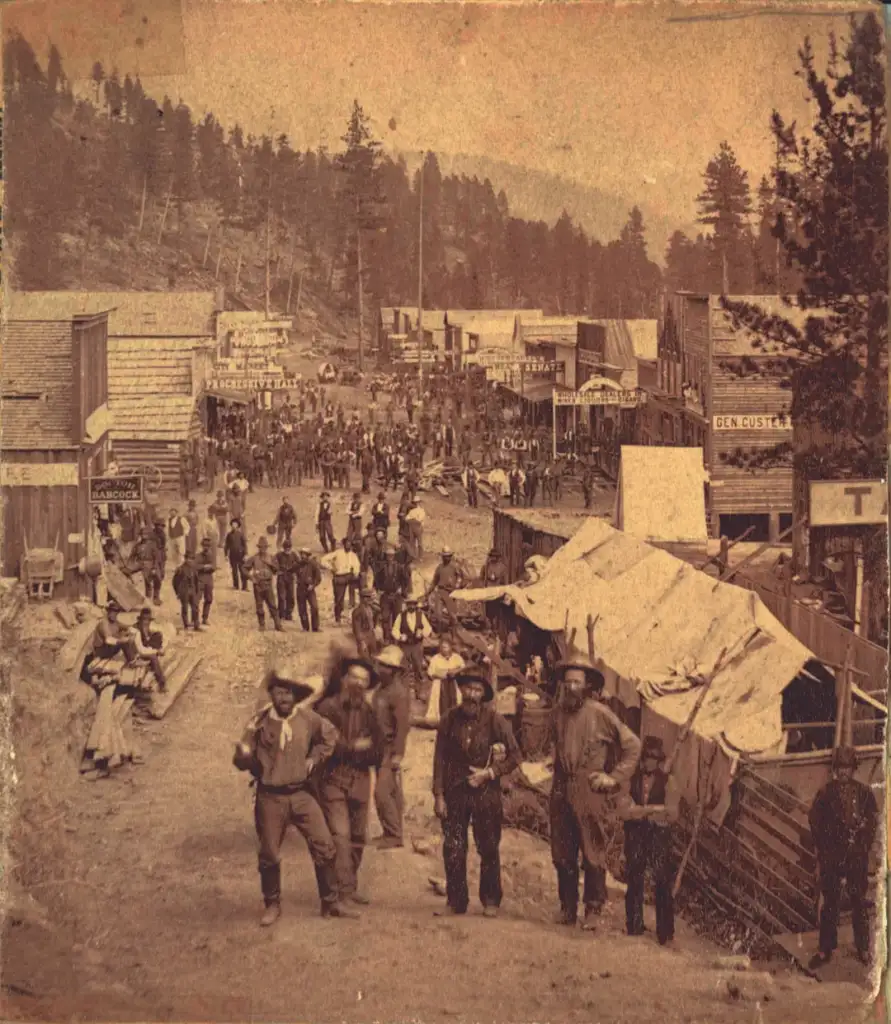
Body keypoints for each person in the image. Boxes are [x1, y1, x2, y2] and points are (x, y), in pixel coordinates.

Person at [233, 662, 358, 926]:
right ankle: (272, 904)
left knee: (325, 845)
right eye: (279, 692)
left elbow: (330, 736)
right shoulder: (259, 722)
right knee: (269, 853)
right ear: (273, 695)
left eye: (289, 693)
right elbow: (242, 759)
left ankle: (330, 902)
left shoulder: (308, 719)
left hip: (301, 794)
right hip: (270, 796)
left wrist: (315, 758)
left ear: (295, 696)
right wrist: (244, 756)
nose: (284, 698)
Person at [549, 654, 641, 931]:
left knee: (592, 851)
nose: (571, 688)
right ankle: (567, 907)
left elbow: (632, 745)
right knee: (562, 853)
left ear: (587, 686)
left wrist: (613, 778)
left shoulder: (600, 713)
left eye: (577, 683)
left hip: (589, 788)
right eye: (567, 683)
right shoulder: (558, 712)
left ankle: (593, 908)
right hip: (561, 786)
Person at [433, 670, 521, 918]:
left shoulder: (495, 720)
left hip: (485, 792)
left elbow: (516, 755)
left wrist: (490, 773)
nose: (472, 695)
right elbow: (439, 758)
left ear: (483, 695)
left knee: (489, 846)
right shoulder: (449, 719)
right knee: (453, 846)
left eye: (477, 690)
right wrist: (438, 795)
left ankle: (491, 899)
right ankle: (456, 900)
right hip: (455, 792)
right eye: (468, 689)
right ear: (461, 690)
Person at [314, 657, 382, 905]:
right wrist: (354, 747)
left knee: (357, 837)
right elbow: (326, 745)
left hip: (361, 781)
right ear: (344, 679)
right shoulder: (327, 708)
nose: (358, 683)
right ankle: (340, 891)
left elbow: (378, 751)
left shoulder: (371, 713)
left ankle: (349, 886)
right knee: (340, 836)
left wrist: (356, 749)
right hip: (333, 779)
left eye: (364, 679)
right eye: (354, 677)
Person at [808, 745, 878, 969]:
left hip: (856, 856)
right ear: (835, 769)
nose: (843, 772)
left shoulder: (865, 794)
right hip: (832, 857)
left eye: (847, 768)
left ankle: (863, 948)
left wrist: (863, 845)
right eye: (839, 768)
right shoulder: (825, 793)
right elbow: (814, 821)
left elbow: (873, 821)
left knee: (859, 902)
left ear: (854, 769)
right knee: (830, 903)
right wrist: (825, 846)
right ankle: (825, 949)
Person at [622, 735, 679, 946]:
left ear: (659, 760)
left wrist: (642, 811)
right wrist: (653, 810)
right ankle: (634, 927)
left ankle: (666, 933)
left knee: (662, 881)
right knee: (634, 878)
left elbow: (672, 814)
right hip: (635, 834)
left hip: (658, 835)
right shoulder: (631, 779)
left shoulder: (668, 781)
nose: (649, 762)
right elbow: (625, 810)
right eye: (646, 757)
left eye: (654, 758)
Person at [372, 646, 411, 850]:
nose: (380, 668)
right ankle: (393, 831)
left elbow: (403, 726)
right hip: (378, 748)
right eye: (380, 664)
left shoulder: (398, 693)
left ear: (395, 671)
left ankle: (393, 834)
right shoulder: (381, 689)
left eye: (386, 666)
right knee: (391, 792)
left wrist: (398, 754)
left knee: (381, 793)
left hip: (389, 749)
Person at [391, 596, 433, 701]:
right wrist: (400, 636)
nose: (411, 606)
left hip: (417, 646)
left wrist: (422, 633)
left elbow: (428, 628)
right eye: (409, 604)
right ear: (406, 604)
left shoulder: (420, 615)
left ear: (416, 605)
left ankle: (419, 692)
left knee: (418, 669)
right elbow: (394, 630)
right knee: (404, 669)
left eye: (413, 604)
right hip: (405, 646)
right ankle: (404, 693)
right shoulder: (401, 616)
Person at [244, 537, 283, 632]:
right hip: (258, 585)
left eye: (264, 547)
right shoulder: (254, 558)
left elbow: (277, 570)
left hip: (268, 584)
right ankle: (262, 625)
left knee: (273, 605)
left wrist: (272, 565)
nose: (263, 549)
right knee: (259, 606)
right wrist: (251, 578)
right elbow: (244, 568)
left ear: (267, 547)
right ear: (258, 548)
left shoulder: (271, 557)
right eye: (261, 547)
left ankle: (278, 625)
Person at [425, 637, 466, 724]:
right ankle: (443, 720)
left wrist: (455, 671)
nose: (444, 649)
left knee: (454, 700)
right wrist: (439, 675)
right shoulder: (435, 658)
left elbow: (463, 666)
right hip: (440, 683)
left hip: (453, 682)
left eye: (446, 647)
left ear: (450, 647)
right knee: (442, 702)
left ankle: (456, 720)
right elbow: (430, 673)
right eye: (442, 647)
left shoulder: (456, 657)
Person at [321, 538, 360, 626]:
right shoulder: (338, 553)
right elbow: (323, 560)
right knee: (338, 598)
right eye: (347, 544)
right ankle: (337, 618)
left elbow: (357, 566)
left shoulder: (353, 555)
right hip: (339, 577)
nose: (348, 546)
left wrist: (355, 573)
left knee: (354, 596)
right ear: (344, 544)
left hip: (350, 576)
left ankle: (351, 617)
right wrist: (331, 567)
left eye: (350, 544)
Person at [374, 546, 408, 640]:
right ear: (386, 556)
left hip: (397, 596)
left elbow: (406, 581)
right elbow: (376, 581)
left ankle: (395, 638)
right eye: (388, 556)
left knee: (397, 618)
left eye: (392, 556)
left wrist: (402, 589)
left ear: (394, 556)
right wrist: (378, 590)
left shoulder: (400, 567)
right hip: (386, 596)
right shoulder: (382, 568)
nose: (390, 558)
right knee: (385, 617)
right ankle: (386, 638)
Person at [131, 607, 168, 691]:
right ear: (140, 620)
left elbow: (149, 636)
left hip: (144, 647)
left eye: (148, 620)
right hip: (136, 653)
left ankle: (157, 651)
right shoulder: (135, 630)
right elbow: (141, 650)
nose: (146, 622)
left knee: (158, 635)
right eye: (144, 620)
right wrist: (155, 651)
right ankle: (161, 682)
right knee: (154, 658)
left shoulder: (145, 627)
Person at [133, 526, 164, 606]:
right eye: (142, 534)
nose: (144, 536)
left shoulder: (152, 545)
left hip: (152, 563)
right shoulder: (137, 546)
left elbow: (156, 557)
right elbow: (133, 556)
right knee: (147, 582)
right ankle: (148, 599)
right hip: (142, 564)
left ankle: (156, 597)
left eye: (146, 534)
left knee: (157, 580)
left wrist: (154, 567)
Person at [294, 546, 322, 633]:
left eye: (305, 554)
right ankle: (305, 627)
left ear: (308, 555)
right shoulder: (298, 564)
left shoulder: (313, 564)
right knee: (302, 609)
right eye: (302, 554)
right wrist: (295, 578)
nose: (303, 556)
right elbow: (290, 571)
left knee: (314, 607)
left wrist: (313, 585)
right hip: (300, 588)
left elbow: (318, 578)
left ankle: (315, 627)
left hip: (310, 589)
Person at [173, 553, 202, 631]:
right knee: (185, 608)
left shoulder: (194, 569)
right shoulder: (180, 569)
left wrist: (197, 592)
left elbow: (196, 581)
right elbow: (175, 582)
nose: (190, 561)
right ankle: (186, 625)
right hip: (184, 591)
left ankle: (196, 625)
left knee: (195, 608)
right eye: (188, 559)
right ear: (185, 559)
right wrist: (178, 593)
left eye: (191, 559)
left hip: (192, 591)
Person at [275, 538, 299, 622]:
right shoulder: (279, 555)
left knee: (291, 597)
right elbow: (273, 563)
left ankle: (288, 614)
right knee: (281, 597)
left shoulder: (294, 555)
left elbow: (299, 564)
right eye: (286, 548)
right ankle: (281, 614)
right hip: (281, 577)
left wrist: (295, 572)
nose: (287, 550)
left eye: (289, 548)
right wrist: (277, 570)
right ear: (283, 548)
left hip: (290, 577)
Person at [195, 536, 217, 626]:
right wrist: (204, 567)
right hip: (199, 580)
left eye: (208, 546)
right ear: (202, 546)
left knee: (208, 599)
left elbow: (214, 567)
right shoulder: (197, 556)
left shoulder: (212, 556)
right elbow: (195, 566)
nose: (206, 548)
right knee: (196, 600)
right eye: (204, 546)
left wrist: (209, 567)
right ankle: (195, 619)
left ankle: (205, 618)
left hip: (209, 580)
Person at [352, 588, 379, 659]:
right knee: (364, 659)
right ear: (362, 599)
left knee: (374, 657)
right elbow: (356, 629)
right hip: (363, 637)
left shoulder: (371, 608)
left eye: (370, 597)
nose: (371, 599)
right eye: (368, 597)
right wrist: (361, 642)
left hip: (371, 635)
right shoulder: (357, 612)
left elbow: (378, 612)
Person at [224, 518, 249, 590]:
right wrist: (225, 555)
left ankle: (244, 586)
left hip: (241, 555)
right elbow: (226, 546)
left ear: (238, 525)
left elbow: (244, 545)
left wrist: (246, 554)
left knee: (242, 571)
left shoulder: (241, 534)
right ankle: (236, 585)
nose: (233, 526)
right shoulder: (229, 535)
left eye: (235, 524)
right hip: (232, 556)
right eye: (232, 524)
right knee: (234, 571)